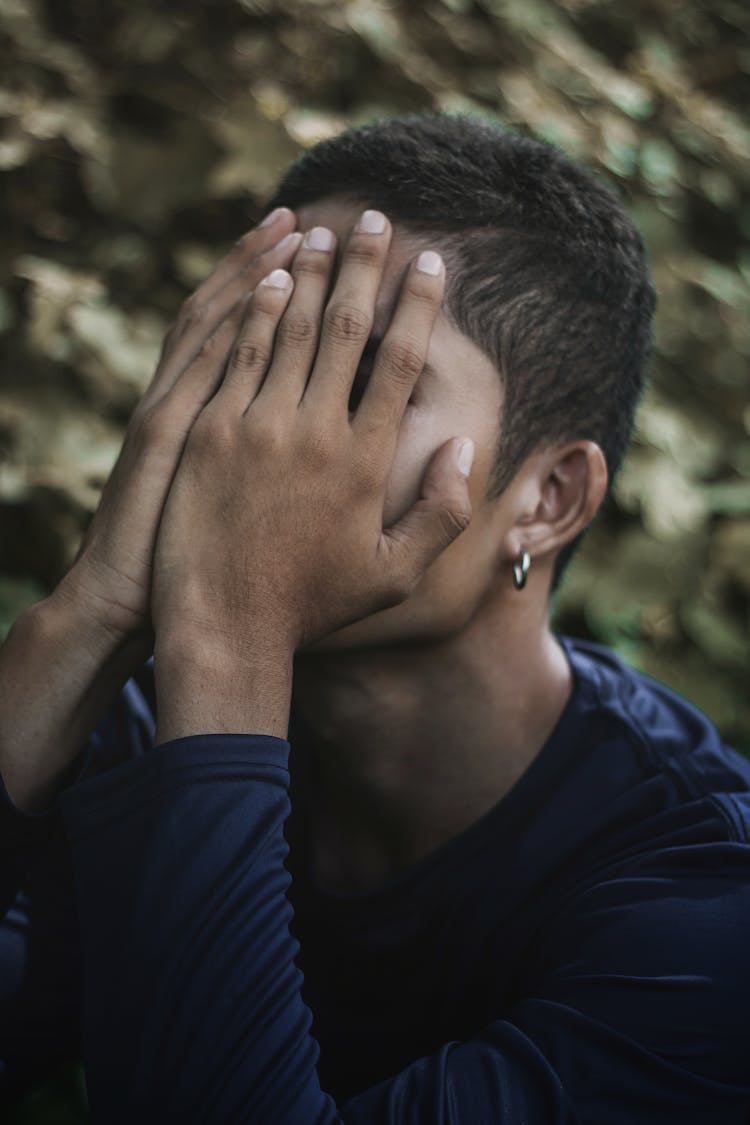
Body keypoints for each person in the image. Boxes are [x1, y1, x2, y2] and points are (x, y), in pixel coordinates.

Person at [1, 113, 749, 1123]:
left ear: (548, 498)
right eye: (249, 352)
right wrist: (82, 621)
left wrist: (229, 636)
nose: (252, 432)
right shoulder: (146, 726)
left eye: (358, 381)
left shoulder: (709, 907)